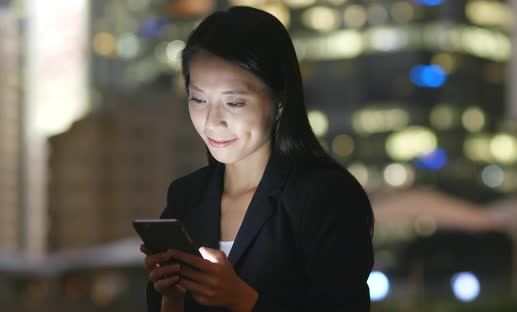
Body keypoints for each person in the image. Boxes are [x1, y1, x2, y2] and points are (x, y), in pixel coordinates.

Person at [140, 6, 374, 312]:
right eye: (198, 99)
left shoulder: (326, 196)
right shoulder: (186, 197)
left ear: (279, 101)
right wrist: (172, 298)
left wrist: (242, 299)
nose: (213, 121)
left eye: (234, 102)